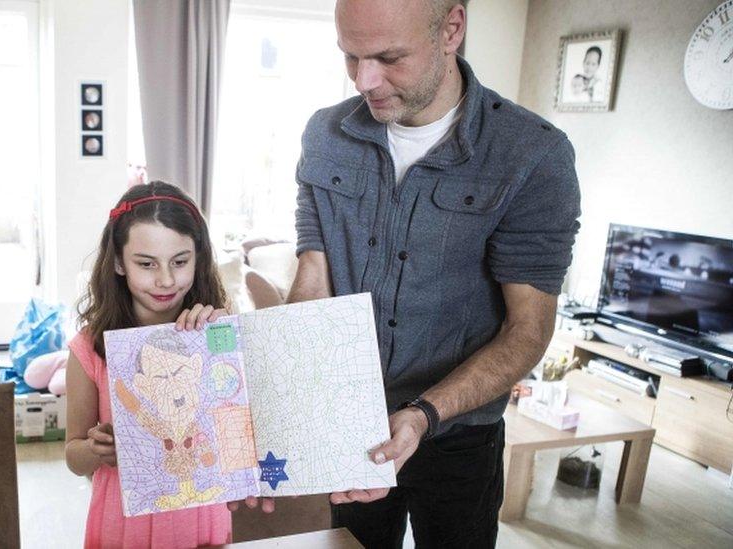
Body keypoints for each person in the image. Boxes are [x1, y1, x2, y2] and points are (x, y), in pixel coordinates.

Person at [241, 0, 581, 547]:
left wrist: (423, 414)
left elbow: (528, 331)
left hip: (458, 433)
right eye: (350, 57)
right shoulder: (326, 134)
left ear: (451, 28)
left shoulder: (532, 155)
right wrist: (284, 422)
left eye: (388, 57)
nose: (365, 79)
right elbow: (312, 284)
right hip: (349, 425)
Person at [64, 181, 233, 548]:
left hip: (201, 523)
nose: (166, 280)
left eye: (180, 262)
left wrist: (225, 341)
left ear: (198, 259)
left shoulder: (219, 333)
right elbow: (73, 456)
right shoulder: (89, 349)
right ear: (119, 263)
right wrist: (96, 450)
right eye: (146, 264)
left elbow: (240, 427)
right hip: (124, 527)